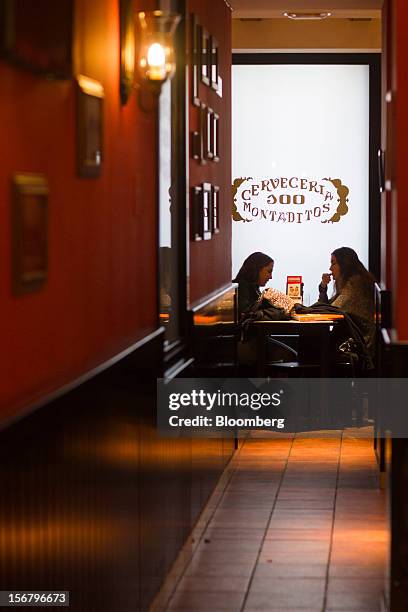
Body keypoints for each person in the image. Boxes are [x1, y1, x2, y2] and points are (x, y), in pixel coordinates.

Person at [318, 247, 375, 355]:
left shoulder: (355, 283)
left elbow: (333, 309)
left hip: (358, 343)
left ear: (344, 264)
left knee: (311, 341)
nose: (330, 269)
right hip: (351, 337)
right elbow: (328, 306)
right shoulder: (349, 282)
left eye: (333, 263)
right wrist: (323, 286)